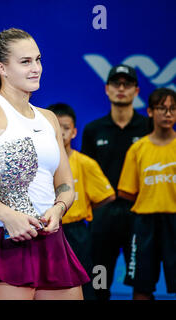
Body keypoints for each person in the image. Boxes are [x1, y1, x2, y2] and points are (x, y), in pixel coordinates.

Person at [0, 28, 90, 300]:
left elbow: (65, 184)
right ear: (2, 68)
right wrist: (9, 217)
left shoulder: (50, 118)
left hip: (51, 237)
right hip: (6, 237)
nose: (36, 68)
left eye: (38, 60)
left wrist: (59, 209)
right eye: (25, 62)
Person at [81, 64, 151, 300]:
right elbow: (86, 176)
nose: (121, 88)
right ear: (107, 89)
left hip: (140, 214)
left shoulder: (148, 128)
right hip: (103, 215)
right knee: (99, 282)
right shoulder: (93, 130)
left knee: (143, 283)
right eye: (116, 84)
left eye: (127, 84)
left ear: (137, 90)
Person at [47, 103, 116, 300]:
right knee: (45, 282)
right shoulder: (38, 162)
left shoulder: (85, 163)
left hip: (76, 232)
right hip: (46, 231)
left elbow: (107, 195)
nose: (60, 133)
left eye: (66, 128)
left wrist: (83, 205)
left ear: (75, 132)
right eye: (55, 127)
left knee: (83, 279)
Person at [117, 88, 176, 300]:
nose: (168, 114)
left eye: (172, 109)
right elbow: (127, 191)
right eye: (162, 108)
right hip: (144, 224)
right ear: (150, 111)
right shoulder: (138, 148)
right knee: (141, 286)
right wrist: (152, 200)